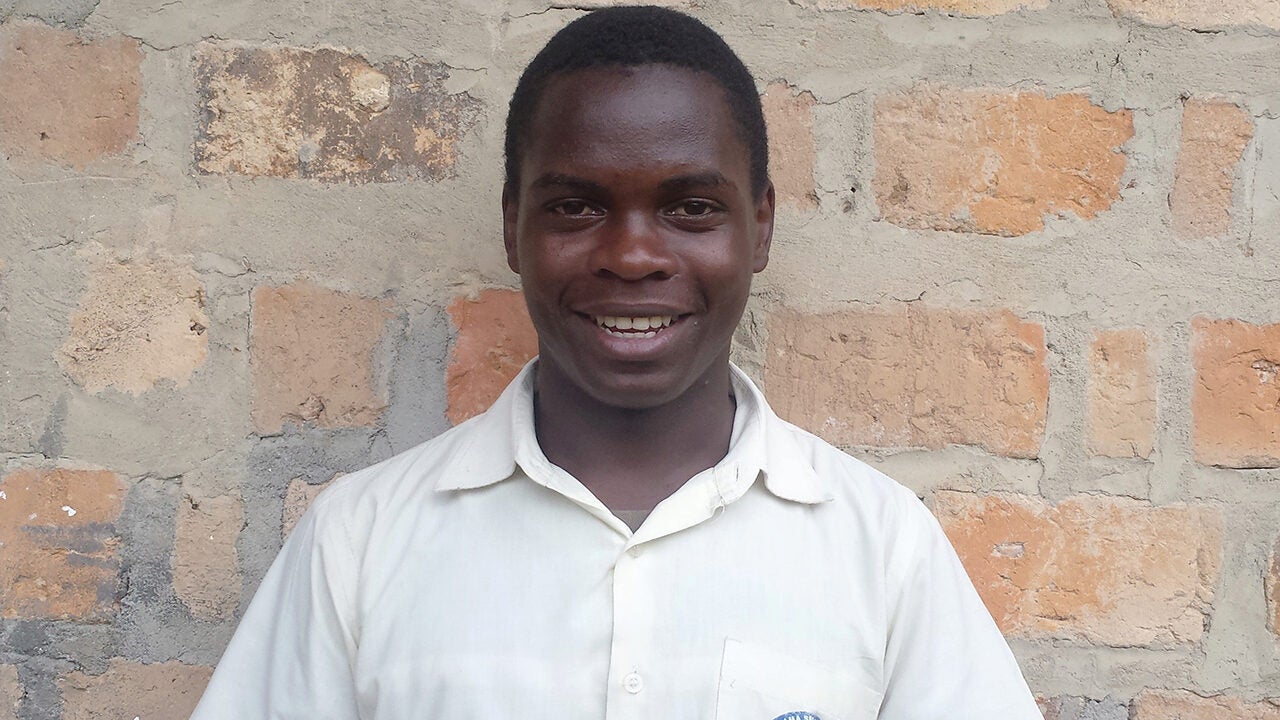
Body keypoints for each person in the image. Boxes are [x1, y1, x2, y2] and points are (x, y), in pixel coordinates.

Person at [190, 6, 1043, 719]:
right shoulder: (363, 542)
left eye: (692, 208)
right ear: (512, 227)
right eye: (575, 207)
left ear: (762, 227)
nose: (633, 256)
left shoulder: (881, 547)